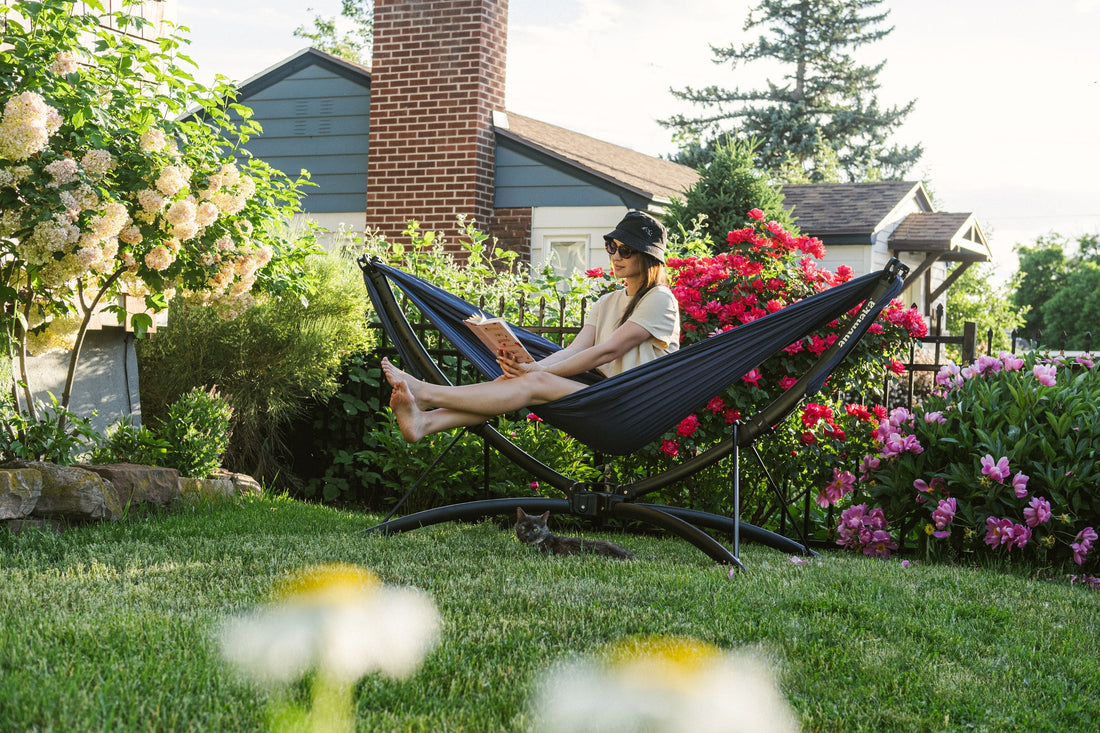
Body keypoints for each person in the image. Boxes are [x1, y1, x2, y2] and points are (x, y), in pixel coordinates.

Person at [382, 211, 681, 442]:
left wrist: (539, 372)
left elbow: (608, 351)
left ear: (648, 257)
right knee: (515, 380)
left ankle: (428, 393)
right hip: (602, 393)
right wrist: (531, 366)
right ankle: (425, 423)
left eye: (626, 250)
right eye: (611, 247)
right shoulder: (607, 302)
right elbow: (575, 349)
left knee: (534, 380)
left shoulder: (659, 299)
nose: (615, 256)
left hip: (633, 405)